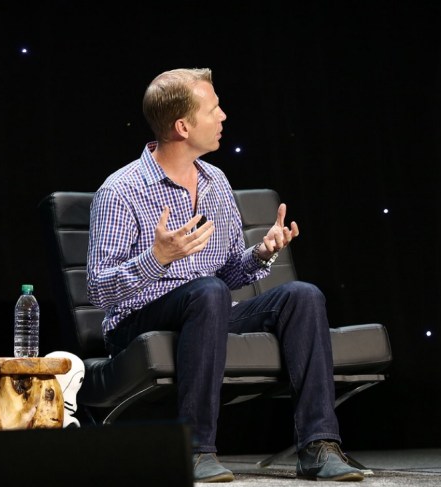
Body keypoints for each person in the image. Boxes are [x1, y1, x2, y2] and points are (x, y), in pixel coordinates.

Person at [86, 68, 364, 483]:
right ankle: (195, 449)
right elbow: (98, 288)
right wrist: (157, 258)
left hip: (208, 305)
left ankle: (318, 446)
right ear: (182, 126)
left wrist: (261, 253)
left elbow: (230, 270)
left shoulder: (216, 181)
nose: (224, 116)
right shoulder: (121, 190)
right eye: (213, 109)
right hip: (136, 320)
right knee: (208, 292)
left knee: (302, 295)